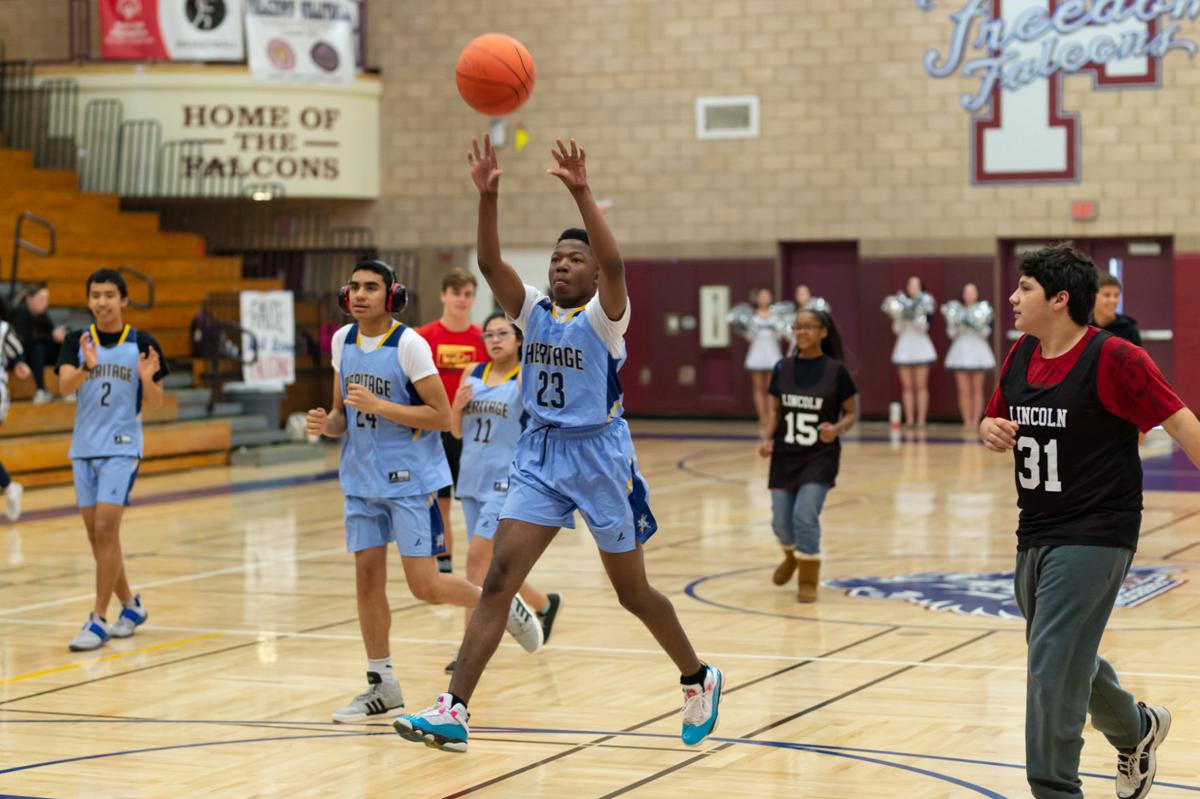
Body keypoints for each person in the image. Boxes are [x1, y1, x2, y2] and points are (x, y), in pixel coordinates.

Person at [393, 136, 722, 753]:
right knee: (498, 580)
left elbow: (618, 266)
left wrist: (580, 190)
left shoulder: (606, 317)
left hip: (600, 458)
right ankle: (455, 711)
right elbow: (491, 266)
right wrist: (487, 197)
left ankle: (698, 677)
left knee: (632, 593)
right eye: (556, 258)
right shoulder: (534, 311)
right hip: (541, 456)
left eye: (575, 258)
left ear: (595, 273)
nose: (561, 265)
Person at [979, 243, 1200, 799]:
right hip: (1036, 529)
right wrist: (991, 430)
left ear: (1058, 299)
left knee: (1052, 665)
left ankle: (1054, 789)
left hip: (1099, 531)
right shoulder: (1022, 353)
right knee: (1062, 650)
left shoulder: (1116, 357)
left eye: (1024, 288)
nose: (1012, 297)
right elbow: (996, 417)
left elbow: (1180, 424)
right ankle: (1136, 728)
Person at [307, 259, 542, 724]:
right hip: (360, 479)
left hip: (410, 481)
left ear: (391, 296)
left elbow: (439, 417)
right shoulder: (341, 341)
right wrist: (326, 424)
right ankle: (382, 684)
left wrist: (381, 405)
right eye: (353, 287)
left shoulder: (409, 345)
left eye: (370, 288)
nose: (359, 295)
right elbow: (343, 415)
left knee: (426, 586)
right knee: (367, 580)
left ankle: (497, 601)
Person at [56, 269, 168, 651]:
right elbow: (63, 386)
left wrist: (147, 379)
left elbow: (157, 403)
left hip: (122, 446)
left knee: (105, 529)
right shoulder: (76, 340)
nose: (101, 301)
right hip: (83, 448)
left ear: (123, 300)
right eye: (95, 295)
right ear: (88, 300)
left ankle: (98, 619)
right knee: (98, 536)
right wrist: (87, 366)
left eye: (109, 295)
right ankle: (132, 606)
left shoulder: (142, 342)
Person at [446, 311, 562, 673]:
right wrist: (458, 406)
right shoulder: (472, 374)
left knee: (475, 561)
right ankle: (542, 603)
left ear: (518, 339)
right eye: (488, 335)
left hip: (506, 481)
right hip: (471, 477)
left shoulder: (525, 375)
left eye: (502, 333)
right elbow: (455, 431)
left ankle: (467, 648)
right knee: (494, 564)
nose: (495, 340)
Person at [758, 308, 857, 602]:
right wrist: (766, 440)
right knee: (780, 522)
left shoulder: (836, 371)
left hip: (819, 456)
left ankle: (808, 578)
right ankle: (791, 556)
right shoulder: (782, 367)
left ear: (823, 332)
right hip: (784, 455)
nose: (802, 332)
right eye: (797, 327)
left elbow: (851, 414)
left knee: (804, 515)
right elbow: (775, 411)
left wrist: (836, 429)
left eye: (809, 327)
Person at [418, 269, 489, 574]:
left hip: (472, 433)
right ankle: (443, 566)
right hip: (435, 432)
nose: (462, 299)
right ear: (443, 295)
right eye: (456, 293)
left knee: (476, 501)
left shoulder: (483, 339)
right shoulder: (423, 338)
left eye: (468, 294)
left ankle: (483, 563)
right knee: (440, 502)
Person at [883, 276, 936, 429]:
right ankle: (910, 419)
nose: (913, 287)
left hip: (921, 347)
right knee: (907, 387)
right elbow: (896, 329)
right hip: (904, 348)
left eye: (916, 285)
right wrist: (901, 317)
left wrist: (917, 318)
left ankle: (921, 420)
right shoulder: (899, 304)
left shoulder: (926, 303)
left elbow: (926, 327)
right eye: (910, 284)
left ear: (921, 287)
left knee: (921, 386)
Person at [942, 283, 996, 429]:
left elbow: (987, 332)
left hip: (979, 351)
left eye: (973, 292)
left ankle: (976, 420)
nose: (970, 295)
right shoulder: (955, 310)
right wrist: (958, 324)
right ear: (963, 294)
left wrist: (976, 324)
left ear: (977, 294)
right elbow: (950, 333)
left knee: (977, 389)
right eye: (967, 292)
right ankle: (967, 421)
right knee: (964, 390)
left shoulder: (984, 310)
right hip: (960, 352)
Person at [11, 282, 67, 404]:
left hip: (39, 355)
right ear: (29, 299)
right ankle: (40, 390)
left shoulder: (42, 314)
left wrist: (57, 335)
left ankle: (69, 388)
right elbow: (24, 340)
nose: (45, 303)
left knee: (65, 345)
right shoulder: (20, 313)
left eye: (46, 299)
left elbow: (50, 332)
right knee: (38, 348)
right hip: (21, 358)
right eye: (41, 299)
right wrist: (51, 336)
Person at [0, 317, 32, 520]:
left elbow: (17, 351)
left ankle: (9, 486)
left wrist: (20, 363)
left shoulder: (3, 328)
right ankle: (9, 486)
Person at [743, 287, 786, 432]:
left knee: (771, 388)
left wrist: (780, 328)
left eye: (766, 296)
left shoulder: (777, 316)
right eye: (761, 296)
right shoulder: (751, 317)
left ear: (771, 298)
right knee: (758, 388)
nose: (763, 298)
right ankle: (762, 417)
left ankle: (772, 415)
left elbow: (782, 335)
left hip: (772, 354)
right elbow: (748, 336)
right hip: (756, 354)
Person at [1093, 273, 1142, 346]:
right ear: (1093, 297)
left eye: (1116, 295)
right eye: (1107, 295)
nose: (1113, 301)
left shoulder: (1128, 329)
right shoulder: (1082, 327)